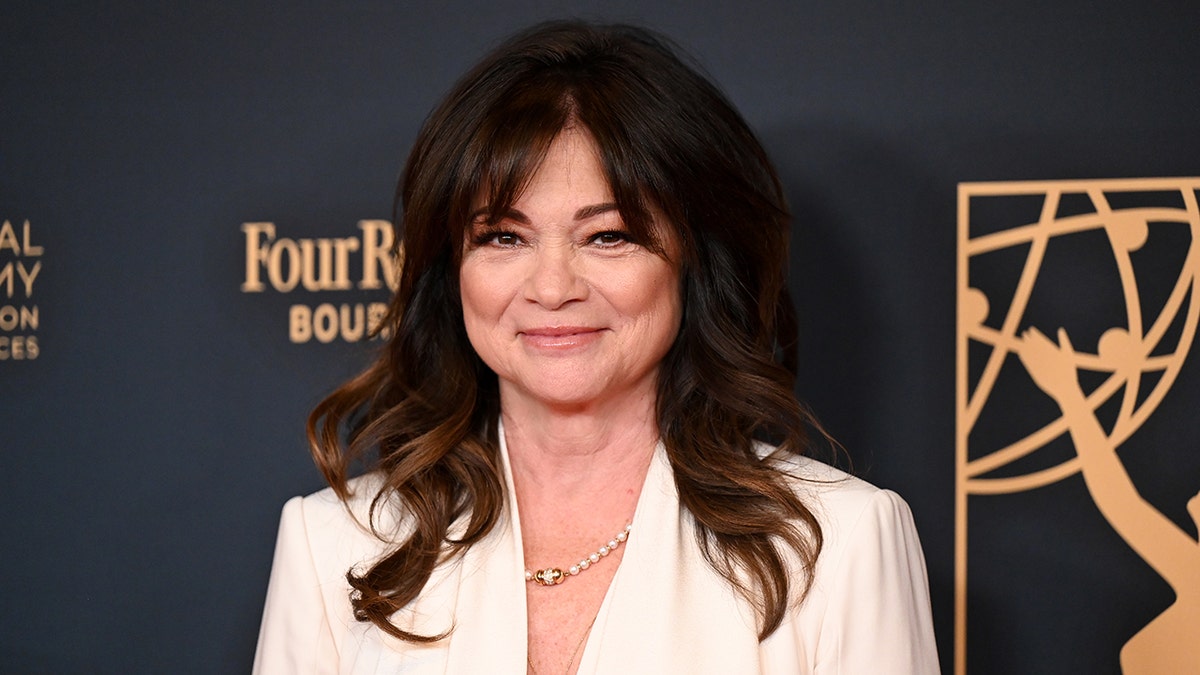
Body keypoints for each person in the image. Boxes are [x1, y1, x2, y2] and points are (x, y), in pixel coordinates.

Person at [254, 20, 938, 674]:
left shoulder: (837, 544)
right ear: (450, 266)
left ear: (693, 258)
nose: (552, 288)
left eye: (607, 235)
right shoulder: (333, 545)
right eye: (503, 236)